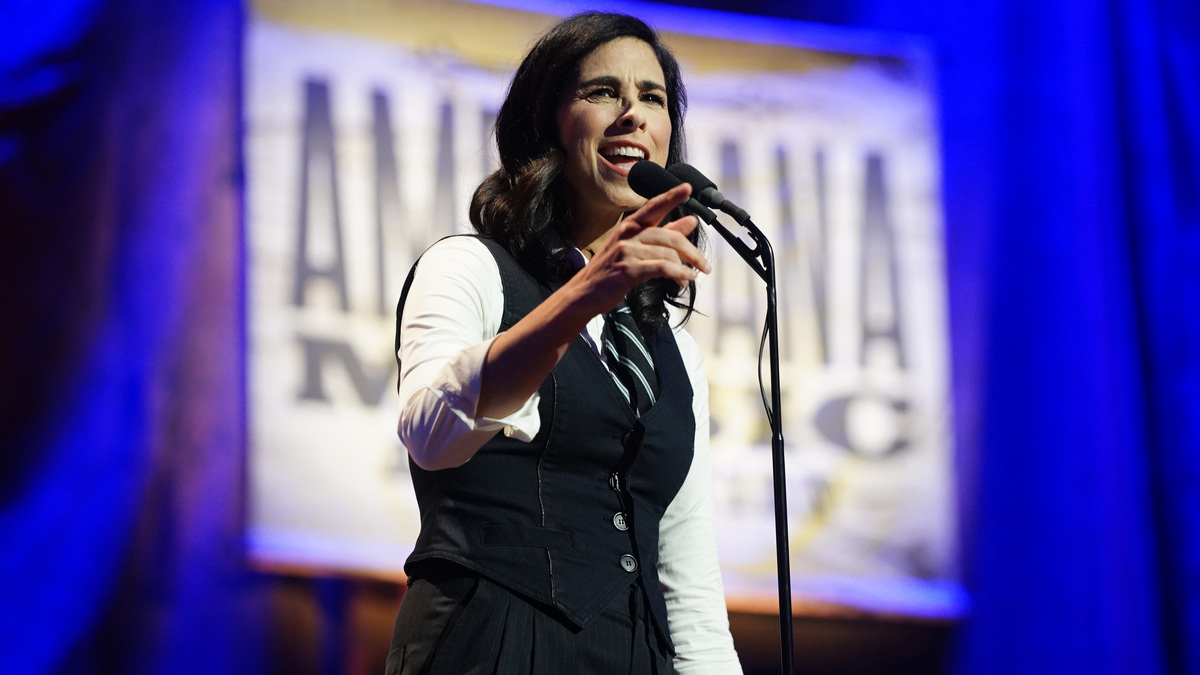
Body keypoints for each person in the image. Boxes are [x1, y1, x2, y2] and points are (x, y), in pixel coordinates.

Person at [387, 11, 742, 674]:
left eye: (653, 98)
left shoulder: (672, 352)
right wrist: (580, 298)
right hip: (494, 641)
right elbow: (432, 434)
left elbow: (688, 586)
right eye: (603, 91)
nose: (633, 113)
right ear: (546, 121)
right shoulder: (470, 267)